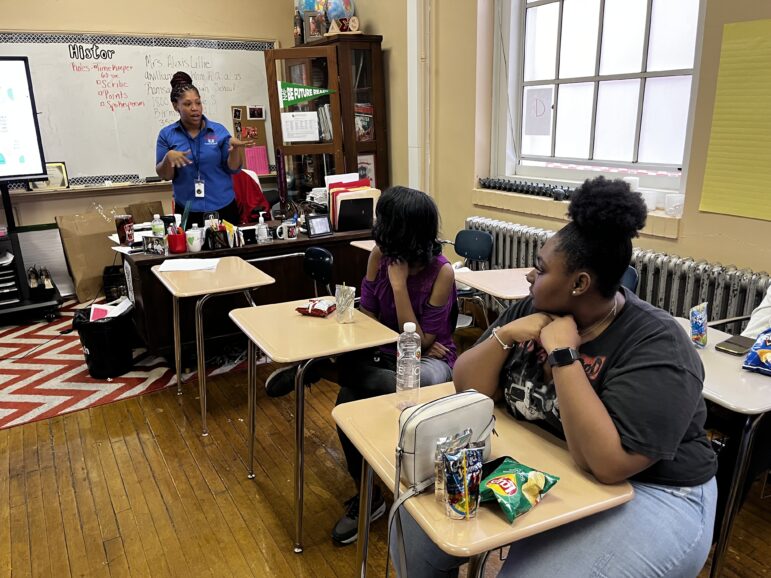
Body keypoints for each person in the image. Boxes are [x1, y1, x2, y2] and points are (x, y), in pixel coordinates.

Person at [395, 177, 718, 577]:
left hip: (655, 491)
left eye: (542, 269)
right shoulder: (534, 307)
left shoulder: (658, 345)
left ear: (580, 283)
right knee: (416, 526)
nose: (531, 276)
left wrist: (565, 357)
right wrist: (505, 333)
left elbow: (609, 464)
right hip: (555, 462)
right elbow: (470, 387)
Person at [331, 186, 458, 545]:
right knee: (346, 402)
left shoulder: (441, 272)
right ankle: (368, 496)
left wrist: (399, 287)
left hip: (428, 360)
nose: (377, 226)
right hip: (385, 356)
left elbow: (420, 342)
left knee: (417, 381)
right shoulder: (378, 256)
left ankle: (325, 372)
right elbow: (369, 314)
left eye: (383, 219)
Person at [155, 71, 255, 227]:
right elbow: (165, 175)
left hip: (223, 207)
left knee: (229, 251)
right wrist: (168, 158)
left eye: (198, 102)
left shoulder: (218, 130)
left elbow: (233, 169)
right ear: (176, 106)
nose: (195, 108)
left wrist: (235, 150)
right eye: (188, 104)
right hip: (188, 209)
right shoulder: (167, 135)